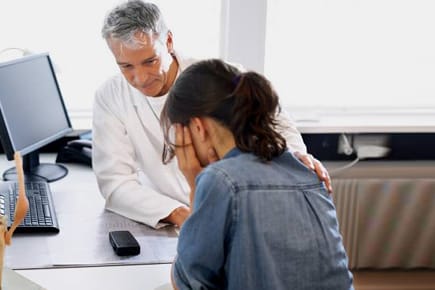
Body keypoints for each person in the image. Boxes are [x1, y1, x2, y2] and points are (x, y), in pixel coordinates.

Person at [93, 0, 331, 229]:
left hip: (236, 208)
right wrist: (182, 215)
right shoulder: (110, 96)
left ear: (168, 41)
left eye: (150, 61)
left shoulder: (216, 76)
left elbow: (274, 118)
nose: (141, 78)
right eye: (126, 66)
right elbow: (116, 183)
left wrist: (294, 153)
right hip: (168, 217)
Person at [161, 59, 353, 290]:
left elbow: (187, 283)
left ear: (198, 128)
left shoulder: (221, 180)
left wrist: (194, 184)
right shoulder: (308, 173)